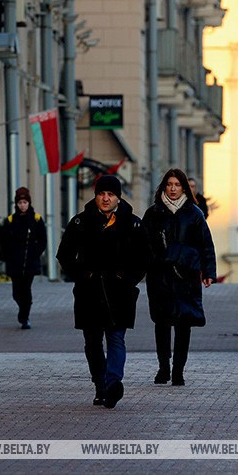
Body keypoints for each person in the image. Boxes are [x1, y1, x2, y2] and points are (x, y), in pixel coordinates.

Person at [56, 175, 149, 409]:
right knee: (93, 341)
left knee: (116, 338)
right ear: (95, 196)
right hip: (90, 292)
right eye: (101, 194)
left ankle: (113, 382)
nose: (106, 198)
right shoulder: (80, 222)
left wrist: (127, 279)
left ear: (118, 197)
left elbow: (145, 257)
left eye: (111, 194)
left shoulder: (133, 223)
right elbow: (64, 255)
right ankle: (101, 384)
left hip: (120, 292)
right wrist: (83, 275)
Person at [143, 168, 216, 386]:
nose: (173, 189)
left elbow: (206, 244)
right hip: (160, 276)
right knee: (162, 322)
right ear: (164, 187)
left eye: (177, 185)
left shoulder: (194, 213)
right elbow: (143, 244)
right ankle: (163, 367)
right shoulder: (154, 213)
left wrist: (209, 272)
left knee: (184, 323)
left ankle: (178, 370)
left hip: (186, 276)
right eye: (169, 184)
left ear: (183, 187)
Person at [0, 187, 47, 330]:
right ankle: (23, 309)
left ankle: (24, 317)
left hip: (30, 262)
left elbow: (42, 240)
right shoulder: (11, 220)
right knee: (16, 293)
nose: (22, 205)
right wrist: (9, 255)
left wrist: (35, 253)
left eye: (25, 202)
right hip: (15, 263)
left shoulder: (37, 219)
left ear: (29, 203)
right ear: (16, 204)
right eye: (20, 202)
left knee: (26, 290)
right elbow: (4, 241)